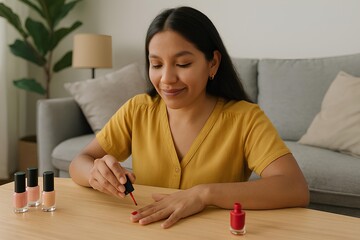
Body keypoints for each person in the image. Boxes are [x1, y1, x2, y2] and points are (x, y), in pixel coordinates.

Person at [69, 6, 309, 229]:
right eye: (156, 64)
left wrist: (203, 194)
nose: (167, 78)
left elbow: (294, 188)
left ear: (212, 63)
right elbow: (80, 161)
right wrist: (95, 173)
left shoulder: (245, 118)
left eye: (183, 64)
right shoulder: (137, 110)